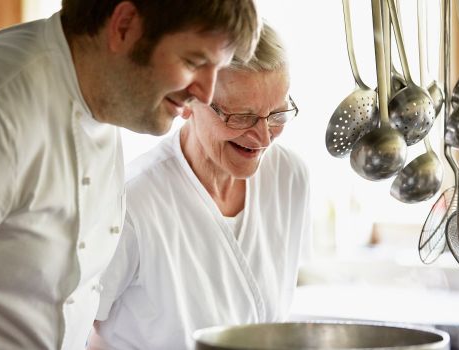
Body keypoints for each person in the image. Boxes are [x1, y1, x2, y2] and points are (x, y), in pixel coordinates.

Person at [0, 1, 260, 349]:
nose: (205, 94)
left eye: (216, 70)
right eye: (193, 62)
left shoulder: (105, 99)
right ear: (124, 26)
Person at [91, 23, 312, 350]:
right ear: (188, 102)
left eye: (277, 114)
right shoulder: (132, 202)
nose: (263, 137)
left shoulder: (289, 176)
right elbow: (79, 329)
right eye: (241, 116)